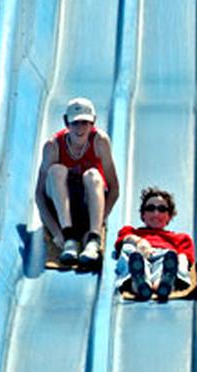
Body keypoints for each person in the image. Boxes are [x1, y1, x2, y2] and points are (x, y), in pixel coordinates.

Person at [35, 97, 121, 267]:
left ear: (93, 123)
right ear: (66, 123)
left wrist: (101, 220)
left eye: (85, 122)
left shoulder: (100, 141)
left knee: (93, 175)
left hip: (88, 208)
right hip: (61, 212)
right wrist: (56, 233)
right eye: (75, 123)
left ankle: (93, 239)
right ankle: (69, 238)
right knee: (56, 170)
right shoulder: (53, 146)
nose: (80, 128)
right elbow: (39, 195)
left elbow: (114, 188)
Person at [114, 187, 195, 301]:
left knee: (174, 257)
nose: (156, 213)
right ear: (143, 215)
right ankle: (139, 282)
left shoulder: (180, 238)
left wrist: (179, 260)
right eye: (150, 208)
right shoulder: (132, 232)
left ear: (169, 216)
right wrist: (138, 241)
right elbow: (122, 239)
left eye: (162, 209)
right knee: (128, 248)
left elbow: (186, 259)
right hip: (140, 255)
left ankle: (163, 283)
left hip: (164, 256)